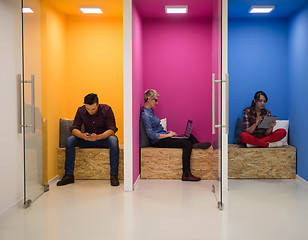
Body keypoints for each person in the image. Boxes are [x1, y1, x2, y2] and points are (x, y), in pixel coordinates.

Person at [141, 89, 211, 182]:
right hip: (158, 141)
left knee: (190, 136)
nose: (157, 103)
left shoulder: (150, 111)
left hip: (163, 137)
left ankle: (196, 146)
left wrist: (167, 133)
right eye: (156, 100)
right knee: (187, 144)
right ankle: (186, 174)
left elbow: (156, 128)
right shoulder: (145, 115)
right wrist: (168, 135)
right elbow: (152, 135)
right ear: (149, 99)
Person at [57, 93, 120, 187]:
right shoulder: (81, 110)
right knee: (70, 140)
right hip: (87, 139)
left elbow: (112, 130)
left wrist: (98, 137)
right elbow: (74, 129)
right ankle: (69, 175)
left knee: (113, 140)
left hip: (102, 139)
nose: (90, 111)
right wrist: (82, 136)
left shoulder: (107, 109)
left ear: (97, 105)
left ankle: (114, 176)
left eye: (93, 109)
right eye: (88, 109)